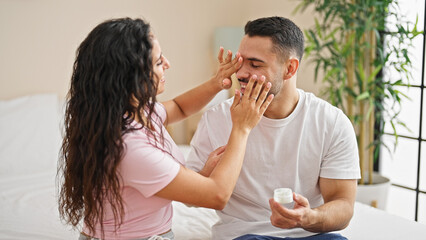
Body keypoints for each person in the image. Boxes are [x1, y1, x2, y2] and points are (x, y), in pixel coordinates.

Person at [57, 17, 274, 240]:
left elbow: (179, 107)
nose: (168, 64)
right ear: (132, 76)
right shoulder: (129, 149)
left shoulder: (133, 113)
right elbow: (217, 195)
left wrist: (216, 82)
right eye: (159, 62)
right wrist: (241, 128)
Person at [186, 16, 361, 240]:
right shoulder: (216, 119)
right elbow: (188, 198)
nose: (240, 73)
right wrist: (203, 176)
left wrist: (307, 217)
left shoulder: (331, 122)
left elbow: (343, 205)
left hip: (309, 235)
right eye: (240, 62)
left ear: (290, 68)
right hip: (245, 235)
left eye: (255, 64)